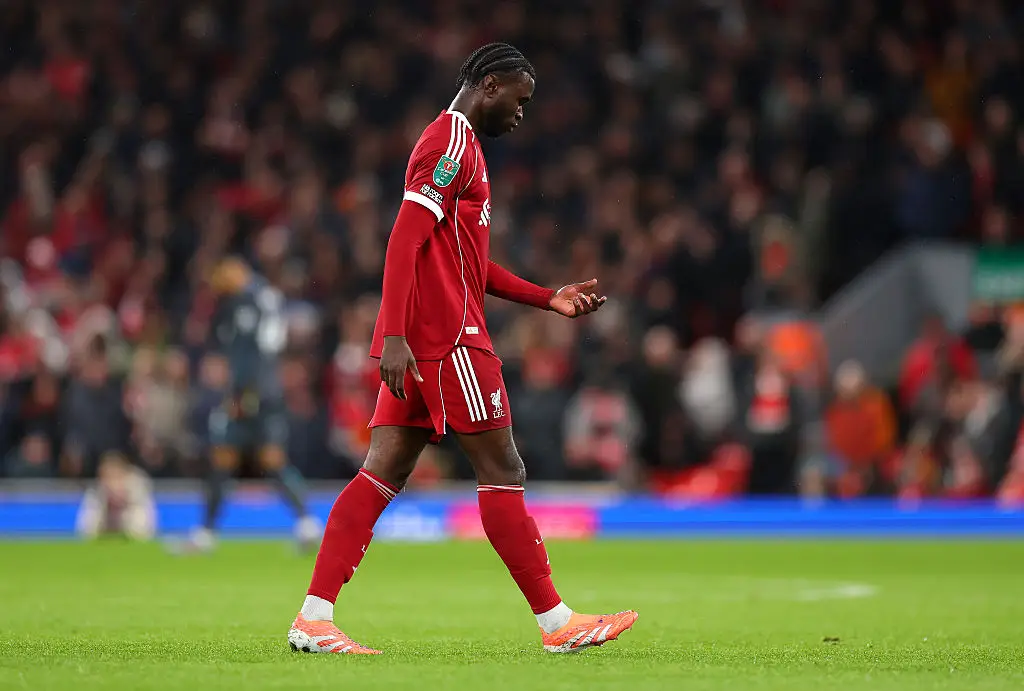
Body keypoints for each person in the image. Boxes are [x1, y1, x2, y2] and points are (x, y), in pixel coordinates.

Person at [287, 43, 638, 655]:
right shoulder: (451, 143)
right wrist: (394, 335)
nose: (523, 115)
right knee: (504, 469)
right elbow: (403, 240)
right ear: (492, 86)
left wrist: (546, 297)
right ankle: (558, 624)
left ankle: (313, 618)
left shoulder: (461, 146)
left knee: (381, 471)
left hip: (424, 340)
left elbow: (467, 261)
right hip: (447, 342)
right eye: (521, 101)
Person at [182, 257, 321, 552]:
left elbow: (249, 354)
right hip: (268, 390)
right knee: (272, 460)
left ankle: (205, 534)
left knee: (224, 457)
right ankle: (307, 524)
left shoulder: (246, 302)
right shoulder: (266, 298)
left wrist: (240, 394)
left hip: (250, 392)